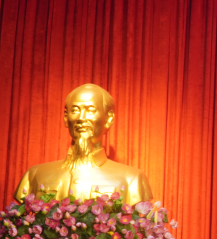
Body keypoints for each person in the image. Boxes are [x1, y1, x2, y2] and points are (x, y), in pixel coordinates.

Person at [15, 84, 153, 204]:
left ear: (109, 119)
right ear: (65, 117)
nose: (81, 118)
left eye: (90, 110)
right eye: (75, 110)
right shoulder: (35, 175)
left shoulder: (132, 179)